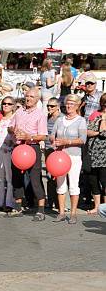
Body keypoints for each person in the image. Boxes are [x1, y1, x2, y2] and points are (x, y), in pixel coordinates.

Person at [7, 87, 48, 220]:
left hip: (32, 148)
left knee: (35, 179)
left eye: (31, 97)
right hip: (18, 148)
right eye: (27, 96)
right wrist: (13, 130)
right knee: (16, 178)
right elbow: (9, 127)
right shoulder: (19, 111)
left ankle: (41, 210)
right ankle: (17, 208)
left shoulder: (40, 114)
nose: (28, 99)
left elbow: (42, 136)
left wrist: (28, 136)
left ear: (37, 99)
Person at [51, 94, 87, 224]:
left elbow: (83, 139)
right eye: (67, 103)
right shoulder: (60, 120)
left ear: (77, 106)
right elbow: (52, 135)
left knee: (73, 185)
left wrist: (67, 141)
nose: (69, 106)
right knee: (60, 185)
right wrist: (53, 141)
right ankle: (61, 212)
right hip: (60, 157)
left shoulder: (81, 120)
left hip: (74, 156)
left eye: (72, 103)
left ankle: (73, 213)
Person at [0, 96, 17, 211]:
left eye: (9, 104)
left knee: (9, 177)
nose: (6, 105)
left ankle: (9, 203)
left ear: (13, 106)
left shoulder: (15, 118)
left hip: (9, 150)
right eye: (4, 103)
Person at [86, 93, 106, 215]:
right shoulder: (95, 114)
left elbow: (104, 133)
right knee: (93, 181)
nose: (104, 106)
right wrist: (98, 132)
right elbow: (87, 132)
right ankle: (97, 207)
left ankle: (105, 207)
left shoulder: (102, 117)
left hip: (104, 156)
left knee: (104, 181)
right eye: (103, 103)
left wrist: (103, 121)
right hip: (93, 153)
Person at [45, 98, 62, 211]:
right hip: (48, 149)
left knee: (60, 177)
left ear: (58, 106)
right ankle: (50, 201)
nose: (49, 108)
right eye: (48, 106)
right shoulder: (48, 117)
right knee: (49, 176)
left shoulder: (62, 118)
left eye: (52, 106)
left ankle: (60, 203)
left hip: (59, 150)